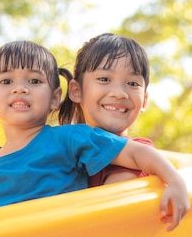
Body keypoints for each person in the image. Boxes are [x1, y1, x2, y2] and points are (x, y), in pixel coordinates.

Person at [0, 40, 189, 231]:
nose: (20, 88)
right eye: (6, 81)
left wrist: (175, 181)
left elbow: (135, 152)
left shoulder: (69, 139)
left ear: (56, 97)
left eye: (35, 81)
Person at [59, 33, 154, 186]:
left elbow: (113, 204)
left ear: (144, 101)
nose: (119, 93)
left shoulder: (138, 158)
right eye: (104, 79)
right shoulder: (64, 152)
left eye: (133, 84)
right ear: (76, 90)